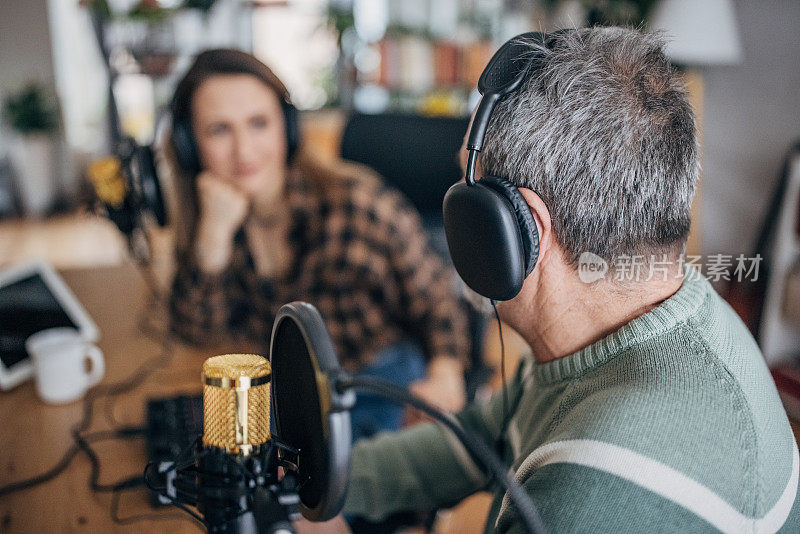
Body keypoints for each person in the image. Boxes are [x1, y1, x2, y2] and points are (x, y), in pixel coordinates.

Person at [335, 27, 800, 533]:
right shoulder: (641, 316)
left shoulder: (593, 492)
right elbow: (479, 438)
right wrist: (322, 480)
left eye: (472, 202)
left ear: (522, 230)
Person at [166, 49, 471, 440]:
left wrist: (446, 374)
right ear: (189, 145)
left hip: (379, 380)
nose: (243, 151)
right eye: (219, 130)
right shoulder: (213, 219)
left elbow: (439, 299)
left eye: (258, 123)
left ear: (288, 127)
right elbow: (197, 333)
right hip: (292, 389)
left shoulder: (358, 204)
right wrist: (212, 241)